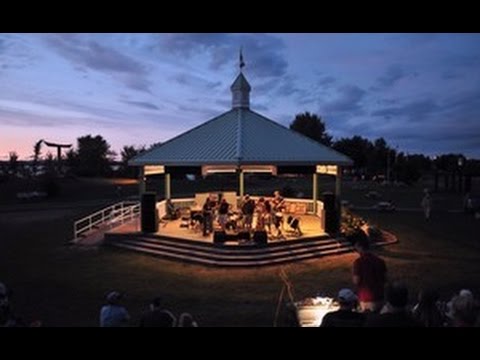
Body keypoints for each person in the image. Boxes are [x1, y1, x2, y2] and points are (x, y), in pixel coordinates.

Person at [351, 230, 387, 313]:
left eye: (357, 248)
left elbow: (356, 280)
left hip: (365, 298)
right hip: (379, 296)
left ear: (360, 247)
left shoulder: (358, 262)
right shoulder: (380, 261)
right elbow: (385, 278)